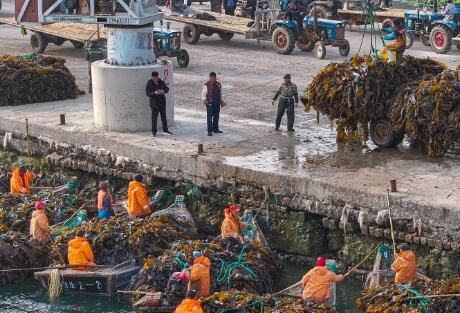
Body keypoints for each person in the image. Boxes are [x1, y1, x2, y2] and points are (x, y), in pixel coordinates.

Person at [146, 71, 172, 137]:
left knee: (164, 117)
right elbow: (148, 94)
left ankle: (165, 130)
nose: (156, 79)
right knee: (154, 118)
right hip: (154, 103)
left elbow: (167, 89)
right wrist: (154, 93)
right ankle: (154, 132)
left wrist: (163, 91)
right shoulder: (149, 83)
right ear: (152, 77)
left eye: (157, 78)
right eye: (155, 78)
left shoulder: (161, 81)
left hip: (162, 102)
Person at [202, 72, 225, 136]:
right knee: (209, 118)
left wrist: (221, 101)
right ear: (209, 78)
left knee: (216, 117)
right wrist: (204, 100)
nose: (213, 80)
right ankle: (209, 131)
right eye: (212, 78)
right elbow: (203, 94)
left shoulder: (218, 84)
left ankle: (215, 129)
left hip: (217, 103)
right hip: (210, 103)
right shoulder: (206, 85)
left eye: (214, 78)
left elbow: (220, 94)